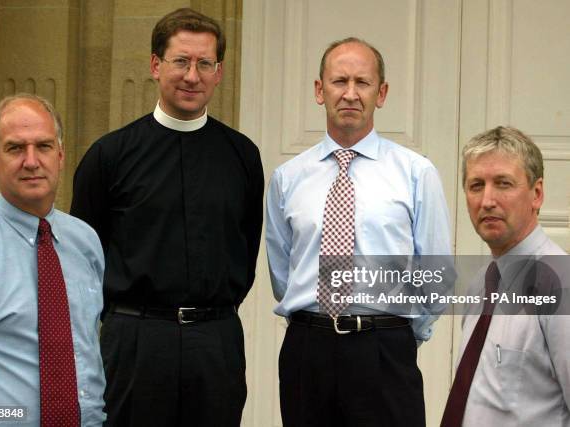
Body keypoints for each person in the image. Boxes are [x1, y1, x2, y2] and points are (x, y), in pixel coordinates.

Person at [70, 7, 264, 427]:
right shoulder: (110, 156)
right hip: (136, 343)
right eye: (181, 61)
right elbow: (83, 259)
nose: (192, 76)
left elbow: (246, 249)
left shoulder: (243, 157)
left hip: (215, 344)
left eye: (204, 63)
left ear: (219, 72)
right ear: (156, 66)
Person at [266, 37, 452, 427]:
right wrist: (315, 328)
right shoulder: (287, 179)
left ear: (381, 93)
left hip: (384, 349)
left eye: (363, 83)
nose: (350, 93)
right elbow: (283, 274)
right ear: (320, 90)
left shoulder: (416, 173)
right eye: (339, 81)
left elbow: (436, 274)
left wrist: (396, 332)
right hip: (307, 351)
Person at [0, 94, 106, 427]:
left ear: (61, 155)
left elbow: (87, 351)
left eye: (43, 146)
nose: (31, 161)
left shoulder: (86, 243)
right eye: (15, 148)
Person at [440, 126, 570, 426]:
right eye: (476, 186)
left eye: (503, 184)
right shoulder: (481, 284)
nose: (487, 200)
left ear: (536, 194)